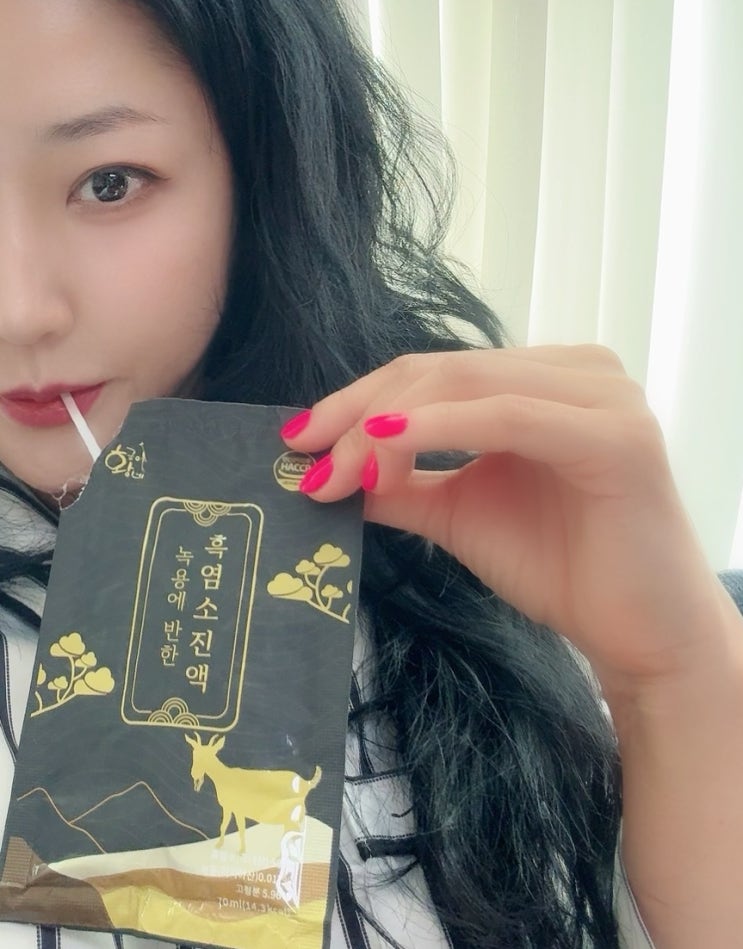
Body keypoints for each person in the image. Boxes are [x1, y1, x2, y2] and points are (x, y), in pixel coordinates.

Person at [0, 1, 741, 947]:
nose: (19, 310)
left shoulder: (459, 540)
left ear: (263, 171)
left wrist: (675, 677)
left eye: (109, 183)